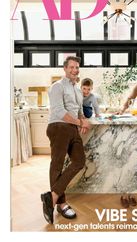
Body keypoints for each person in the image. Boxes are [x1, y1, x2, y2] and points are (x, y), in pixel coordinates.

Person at [41, 56, 90, 224]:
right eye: (72, 67)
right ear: (65, 68)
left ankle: (52, 197)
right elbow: (60, 112)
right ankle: (61, 204)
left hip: (72, 128)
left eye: (77, 67)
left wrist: (82, 119)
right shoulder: (57, 86)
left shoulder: (77, 89)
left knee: (79, 161)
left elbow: (78, 109)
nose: (75, 70)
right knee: (57, 165)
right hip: (58, 127)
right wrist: (79, 122)